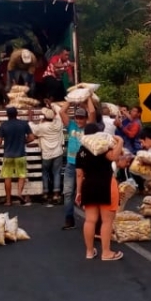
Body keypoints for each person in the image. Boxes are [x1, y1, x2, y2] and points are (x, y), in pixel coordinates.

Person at [75, 123, 125, 261]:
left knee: (90, 220)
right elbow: (115, 157)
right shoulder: (102, 147)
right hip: (106, 184)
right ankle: (106, 252)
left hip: (88, 185)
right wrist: (120, 141)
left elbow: (79, 174)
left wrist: (78, 192)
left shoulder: (81, 151)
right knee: (107, 221)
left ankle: (89, 252)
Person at [60, 98, 94, 229]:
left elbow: (91, 111)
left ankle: (92, 220)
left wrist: (88, 97)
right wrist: (70, 99)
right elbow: (62, 111)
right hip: (71, 164)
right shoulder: (71, 125)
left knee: (86, 192)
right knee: (68, 192)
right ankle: (69, 218)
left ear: (86, 119)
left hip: (85, 165)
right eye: (77, 118)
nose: (79, 120)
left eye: (81, 118)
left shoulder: (90, 127)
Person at [0, 107, 34, 206]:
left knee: (7, 177)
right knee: (21, 176)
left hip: (8, 155)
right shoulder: (23, 124)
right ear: (17, 114)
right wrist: (23, 141)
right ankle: (19, 194)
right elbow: (32, 137)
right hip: (20, 154)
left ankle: (8, 201)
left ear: (7, 115)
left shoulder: (3, 125)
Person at [31, 106, 65, 205]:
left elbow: (33, 128)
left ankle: (45, 193)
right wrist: (52, 106)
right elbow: (59, 114)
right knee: (56, 173)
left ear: (45, 117)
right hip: (58, 152)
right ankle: (56, 194)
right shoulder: (58, 124)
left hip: (46, 154)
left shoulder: (42, 127)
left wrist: (30, 117)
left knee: (45, 173)